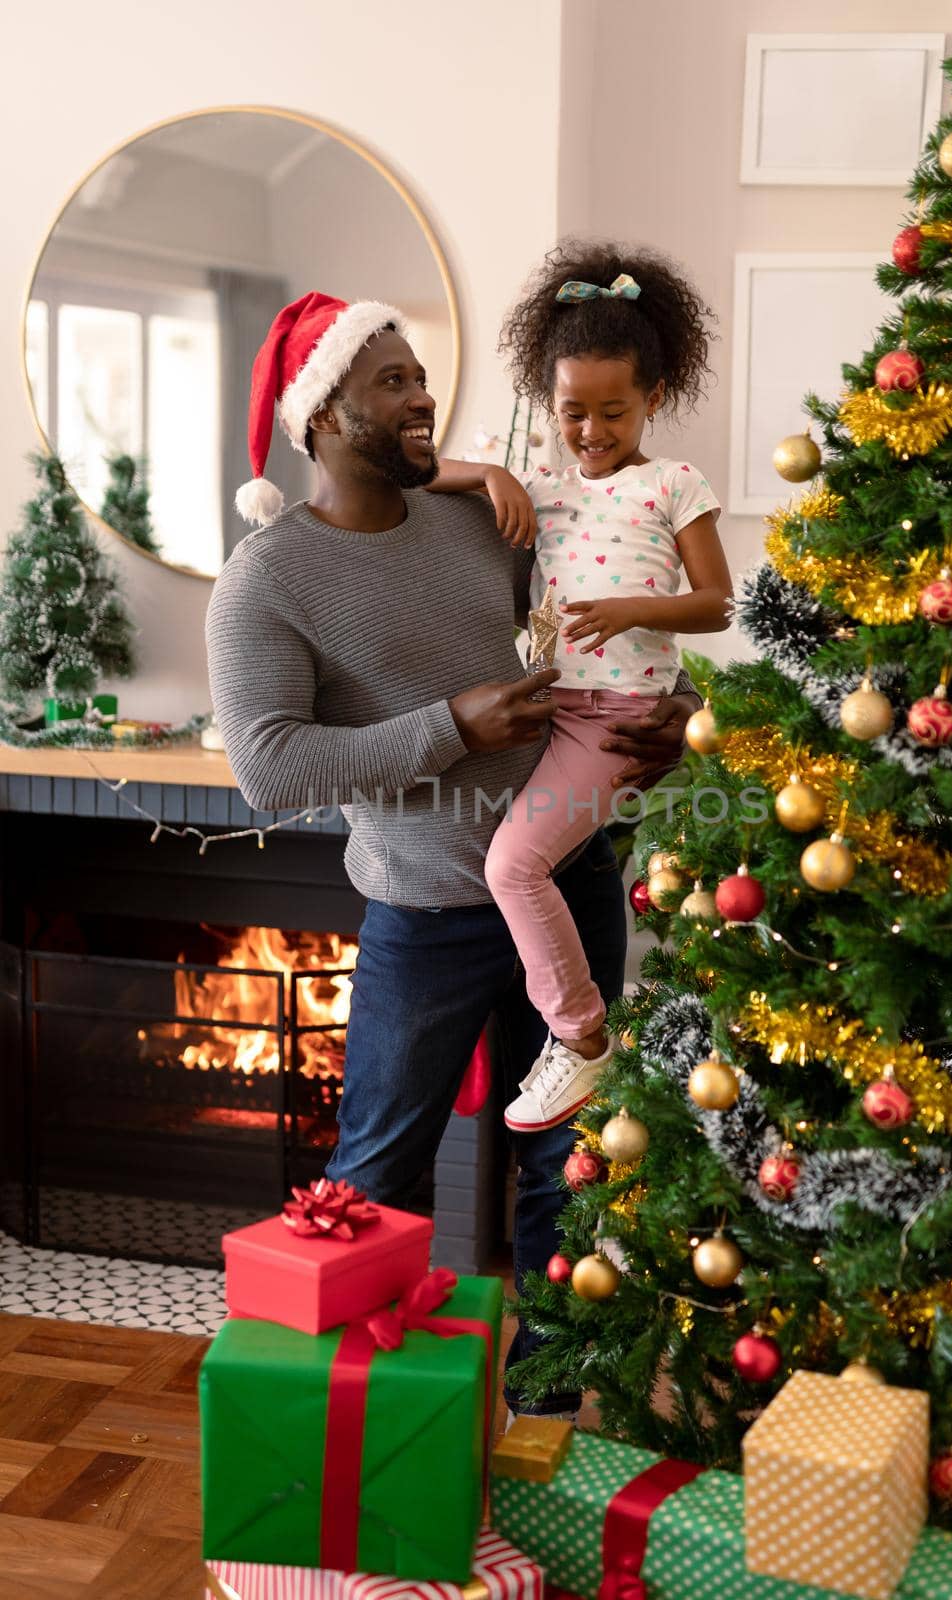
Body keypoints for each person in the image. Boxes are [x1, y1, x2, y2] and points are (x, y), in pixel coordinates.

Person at [205, 289, 703, 1417]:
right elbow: (271, 768)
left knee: (564, 1175)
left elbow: (604, 634)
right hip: (425, 914)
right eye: (391, 380)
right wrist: (453, 727)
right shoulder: (268, 579)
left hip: (568, 887)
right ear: (322, 413)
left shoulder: (482, 520)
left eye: (419, 373)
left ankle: (545, 1431)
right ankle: (345, 1447)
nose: (422, 393)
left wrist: (672, 725)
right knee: (375, 1177)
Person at [431, 241, 732, 1134]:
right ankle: (566, 1033)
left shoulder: (673, 484)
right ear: (549, 405)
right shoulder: (543, 490)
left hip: (619, 720)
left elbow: (716, 605)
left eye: (613, 411)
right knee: (520, 865)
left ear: (653, 400)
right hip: (550, 713)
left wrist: (630, 608)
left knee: (512, 865)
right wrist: (489, 472)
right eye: (572, 413)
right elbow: (422, 475)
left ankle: (583, 1040)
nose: (592, 430)